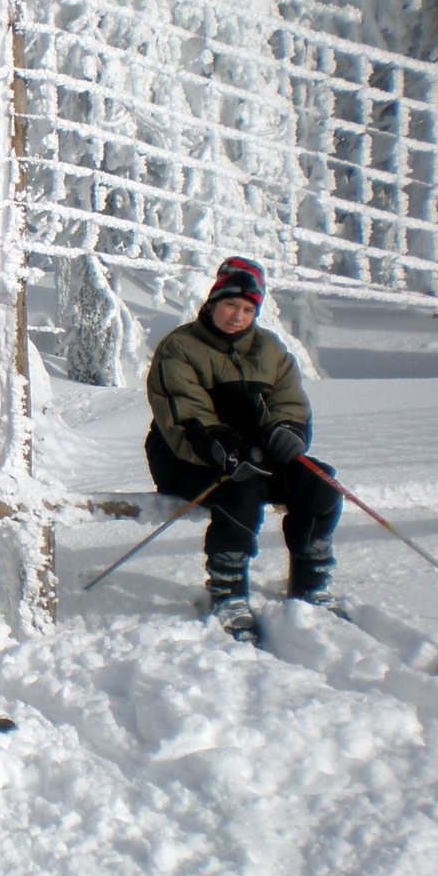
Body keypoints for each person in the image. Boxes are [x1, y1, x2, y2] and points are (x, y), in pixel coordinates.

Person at [144, 256, 342, 643]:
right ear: (213, 303)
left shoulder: (269, 349)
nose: (238, 316)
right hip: (187, 457)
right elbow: (183, 409)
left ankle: (311, 581)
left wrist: (288, 431)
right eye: (231, 305)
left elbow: (290, 402)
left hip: (255, 455)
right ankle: (228, 589)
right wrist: (218, 443)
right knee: (240, 489)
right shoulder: (181, 347)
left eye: (248, 308)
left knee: (319, 482)